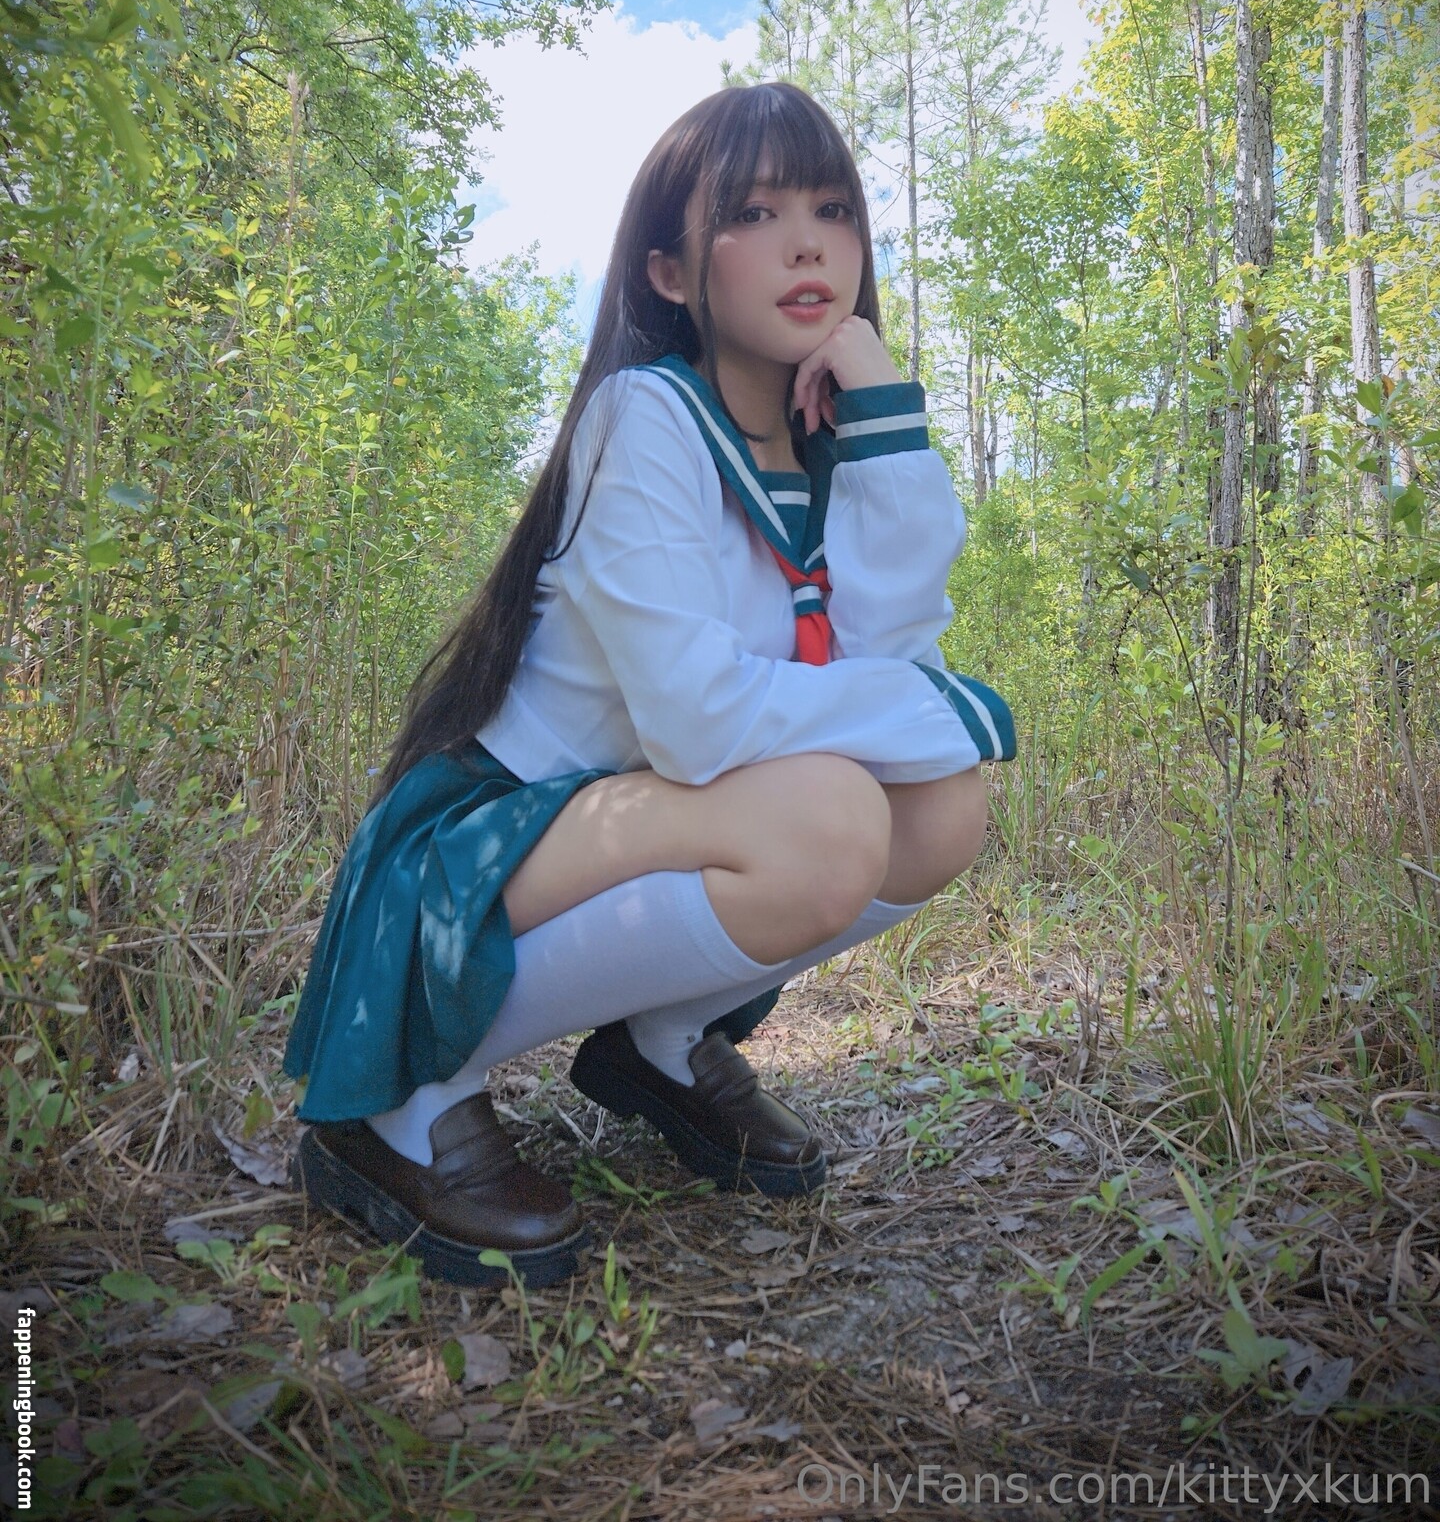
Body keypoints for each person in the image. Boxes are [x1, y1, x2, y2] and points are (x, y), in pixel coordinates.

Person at [284, 80, 1014, 1287]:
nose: (807, 243)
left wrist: (885, 417)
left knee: (941, 804)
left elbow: (887, 662)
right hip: (486, 844)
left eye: (833, 209)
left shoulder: (821, 444)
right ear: (671, 272)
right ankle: (405, 1098)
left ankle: (663, 1041)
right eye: (755, 213)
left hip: (631, 822)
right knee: (834, 815)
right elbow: (697, 720)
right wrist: (937, 708)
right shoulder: (645, 417)